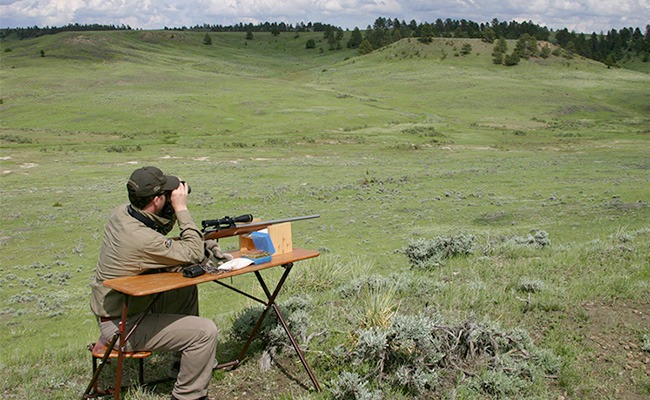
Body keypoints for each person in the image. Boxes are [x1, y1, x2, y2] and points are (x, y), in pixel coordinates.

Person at [90, 166, 217, 400]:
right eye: (165, 196)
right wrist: (180, 209)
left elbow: (155, 228)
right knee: (205, 332)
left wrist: (168, 199)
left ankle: (184, 365)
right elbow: (193, 252)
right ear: (157, 200)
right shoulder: (140, 239)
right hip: (123, 328)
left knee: (186, 290)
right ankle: (189, 395)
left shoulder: (121, 213)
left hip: (123, 308)